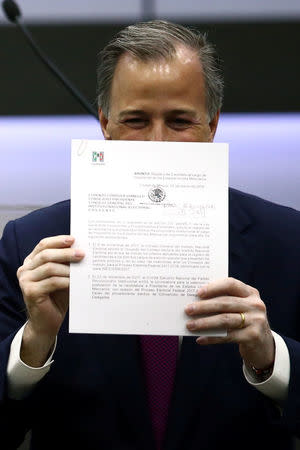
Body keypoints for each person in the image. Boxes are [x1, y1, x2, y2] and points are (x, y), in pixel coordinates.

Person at [0, 20, 299, 450]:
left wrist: (273, 358)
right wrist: (33, 344)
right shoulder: (29, 246)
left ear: (212, 126)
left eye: (180, 121)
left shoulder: (287, 243)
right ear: (105, 124)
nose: (157, 143)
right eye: (136, 120)